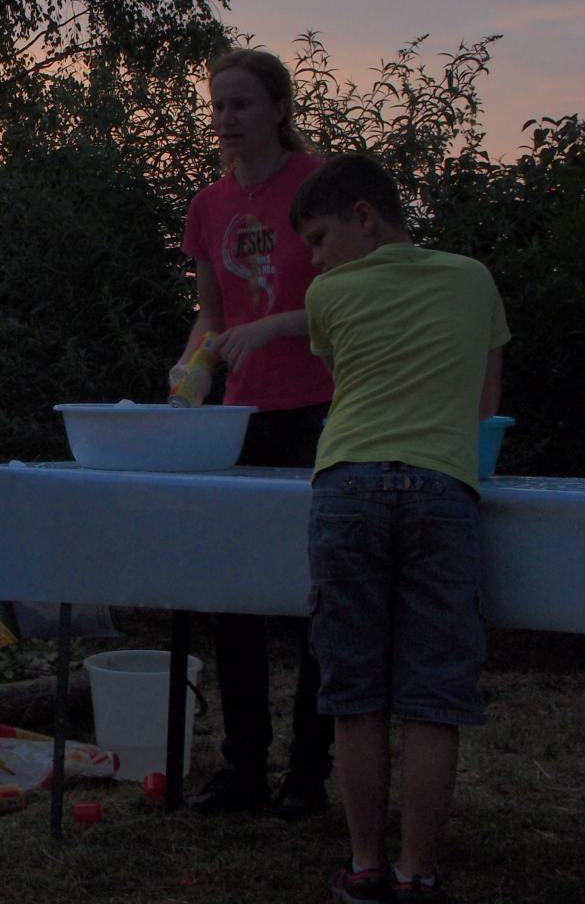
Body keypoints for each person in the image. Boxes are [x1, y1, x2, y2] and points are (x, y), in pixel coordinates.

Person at [292, 153, 508, 904]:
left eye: (319, 239)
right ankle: (417, 872)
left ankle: (364, 866)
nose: (314, 260)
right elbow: (483, 406)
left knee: (355, 691)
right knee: (433, 694)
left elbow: (350, 385)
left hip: (347, 484)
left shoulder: (327, 296)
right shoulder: (474, 279)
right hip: (443, 486)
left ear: (364, 217)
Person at [173, 48, 336, 818]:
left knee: (317, 593)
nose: (225, 119)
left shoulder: (320, 186)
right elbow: (212, 317)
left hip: (322, 408)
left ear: (279, 108)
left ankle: (309, 772)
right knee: (233, 590)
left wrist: (273, 326)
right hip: (238, 418)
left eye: (240, 104)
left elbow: (355, 302)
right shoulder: (208, 206)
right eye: (217, 106)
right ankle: (243, 768)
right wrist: (191, 367)